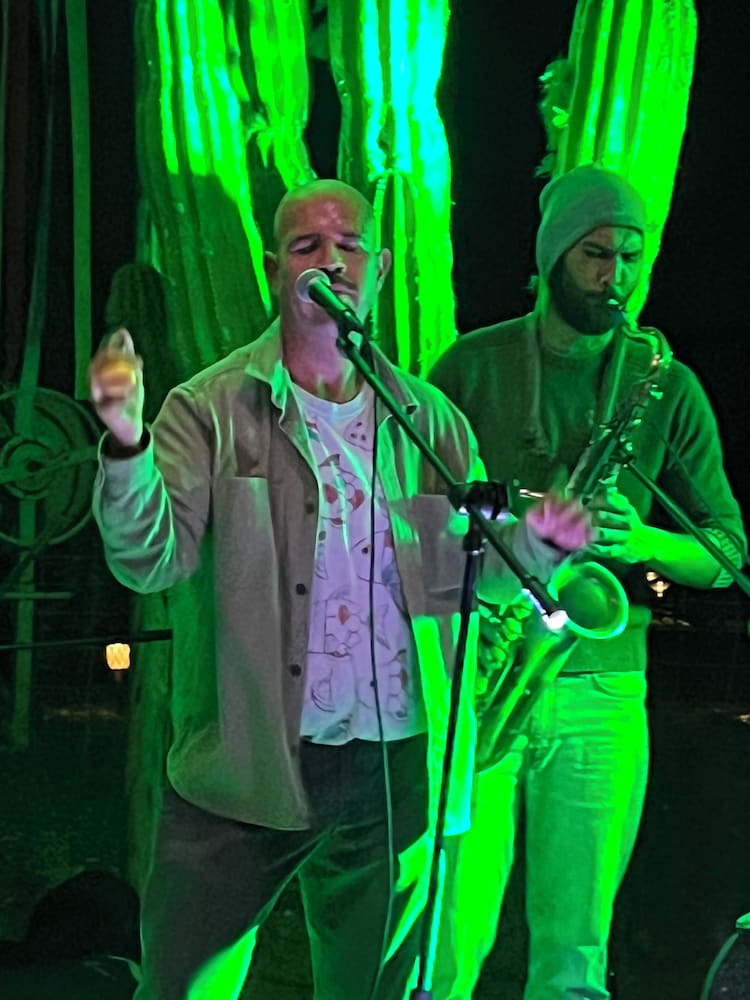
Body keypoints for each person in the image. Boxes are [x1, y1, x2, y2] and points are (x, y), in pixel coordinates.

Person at [89, 178, 592, 1000]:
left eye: (349, 245)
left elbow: (455, 582)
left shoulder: (427, 419)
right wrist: (124, 444)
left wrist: (539, 545)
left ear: (380, 267)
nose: (331, 262)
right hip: (245, 767)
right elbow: (149, 561)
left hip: (394, 772)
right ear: (274, 268)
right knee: (184, 987)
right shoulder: (210, 407)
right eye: (307, 246)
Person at [427, 164, 747, 1000]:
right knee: (449, 944)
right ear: (552, 256)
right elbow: (416, 523)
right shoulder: (470, 367)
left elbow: (726, 554)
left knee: (575, 956)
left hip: (604, 689)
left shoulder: (664, 382)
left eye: (631, 257)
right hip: (479, 677)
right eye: (596, 255)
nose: (617, 277)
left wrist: (644, 540)